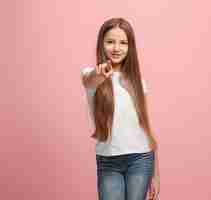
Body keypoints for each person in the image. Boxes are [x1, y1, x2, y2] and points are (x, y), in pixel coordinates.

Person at [81, 17, 160, 200]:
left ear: (130, 47)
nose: (116, 48)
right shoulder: (90, 76)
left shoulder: (138, 82)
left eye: (123, 43)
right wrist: (100, 74)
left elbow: (147, 128)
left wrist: (155, 173)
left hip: (141, 159)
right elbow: (91, 79)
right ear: (102, 44)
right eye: (110, 42)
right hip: (108, 162)